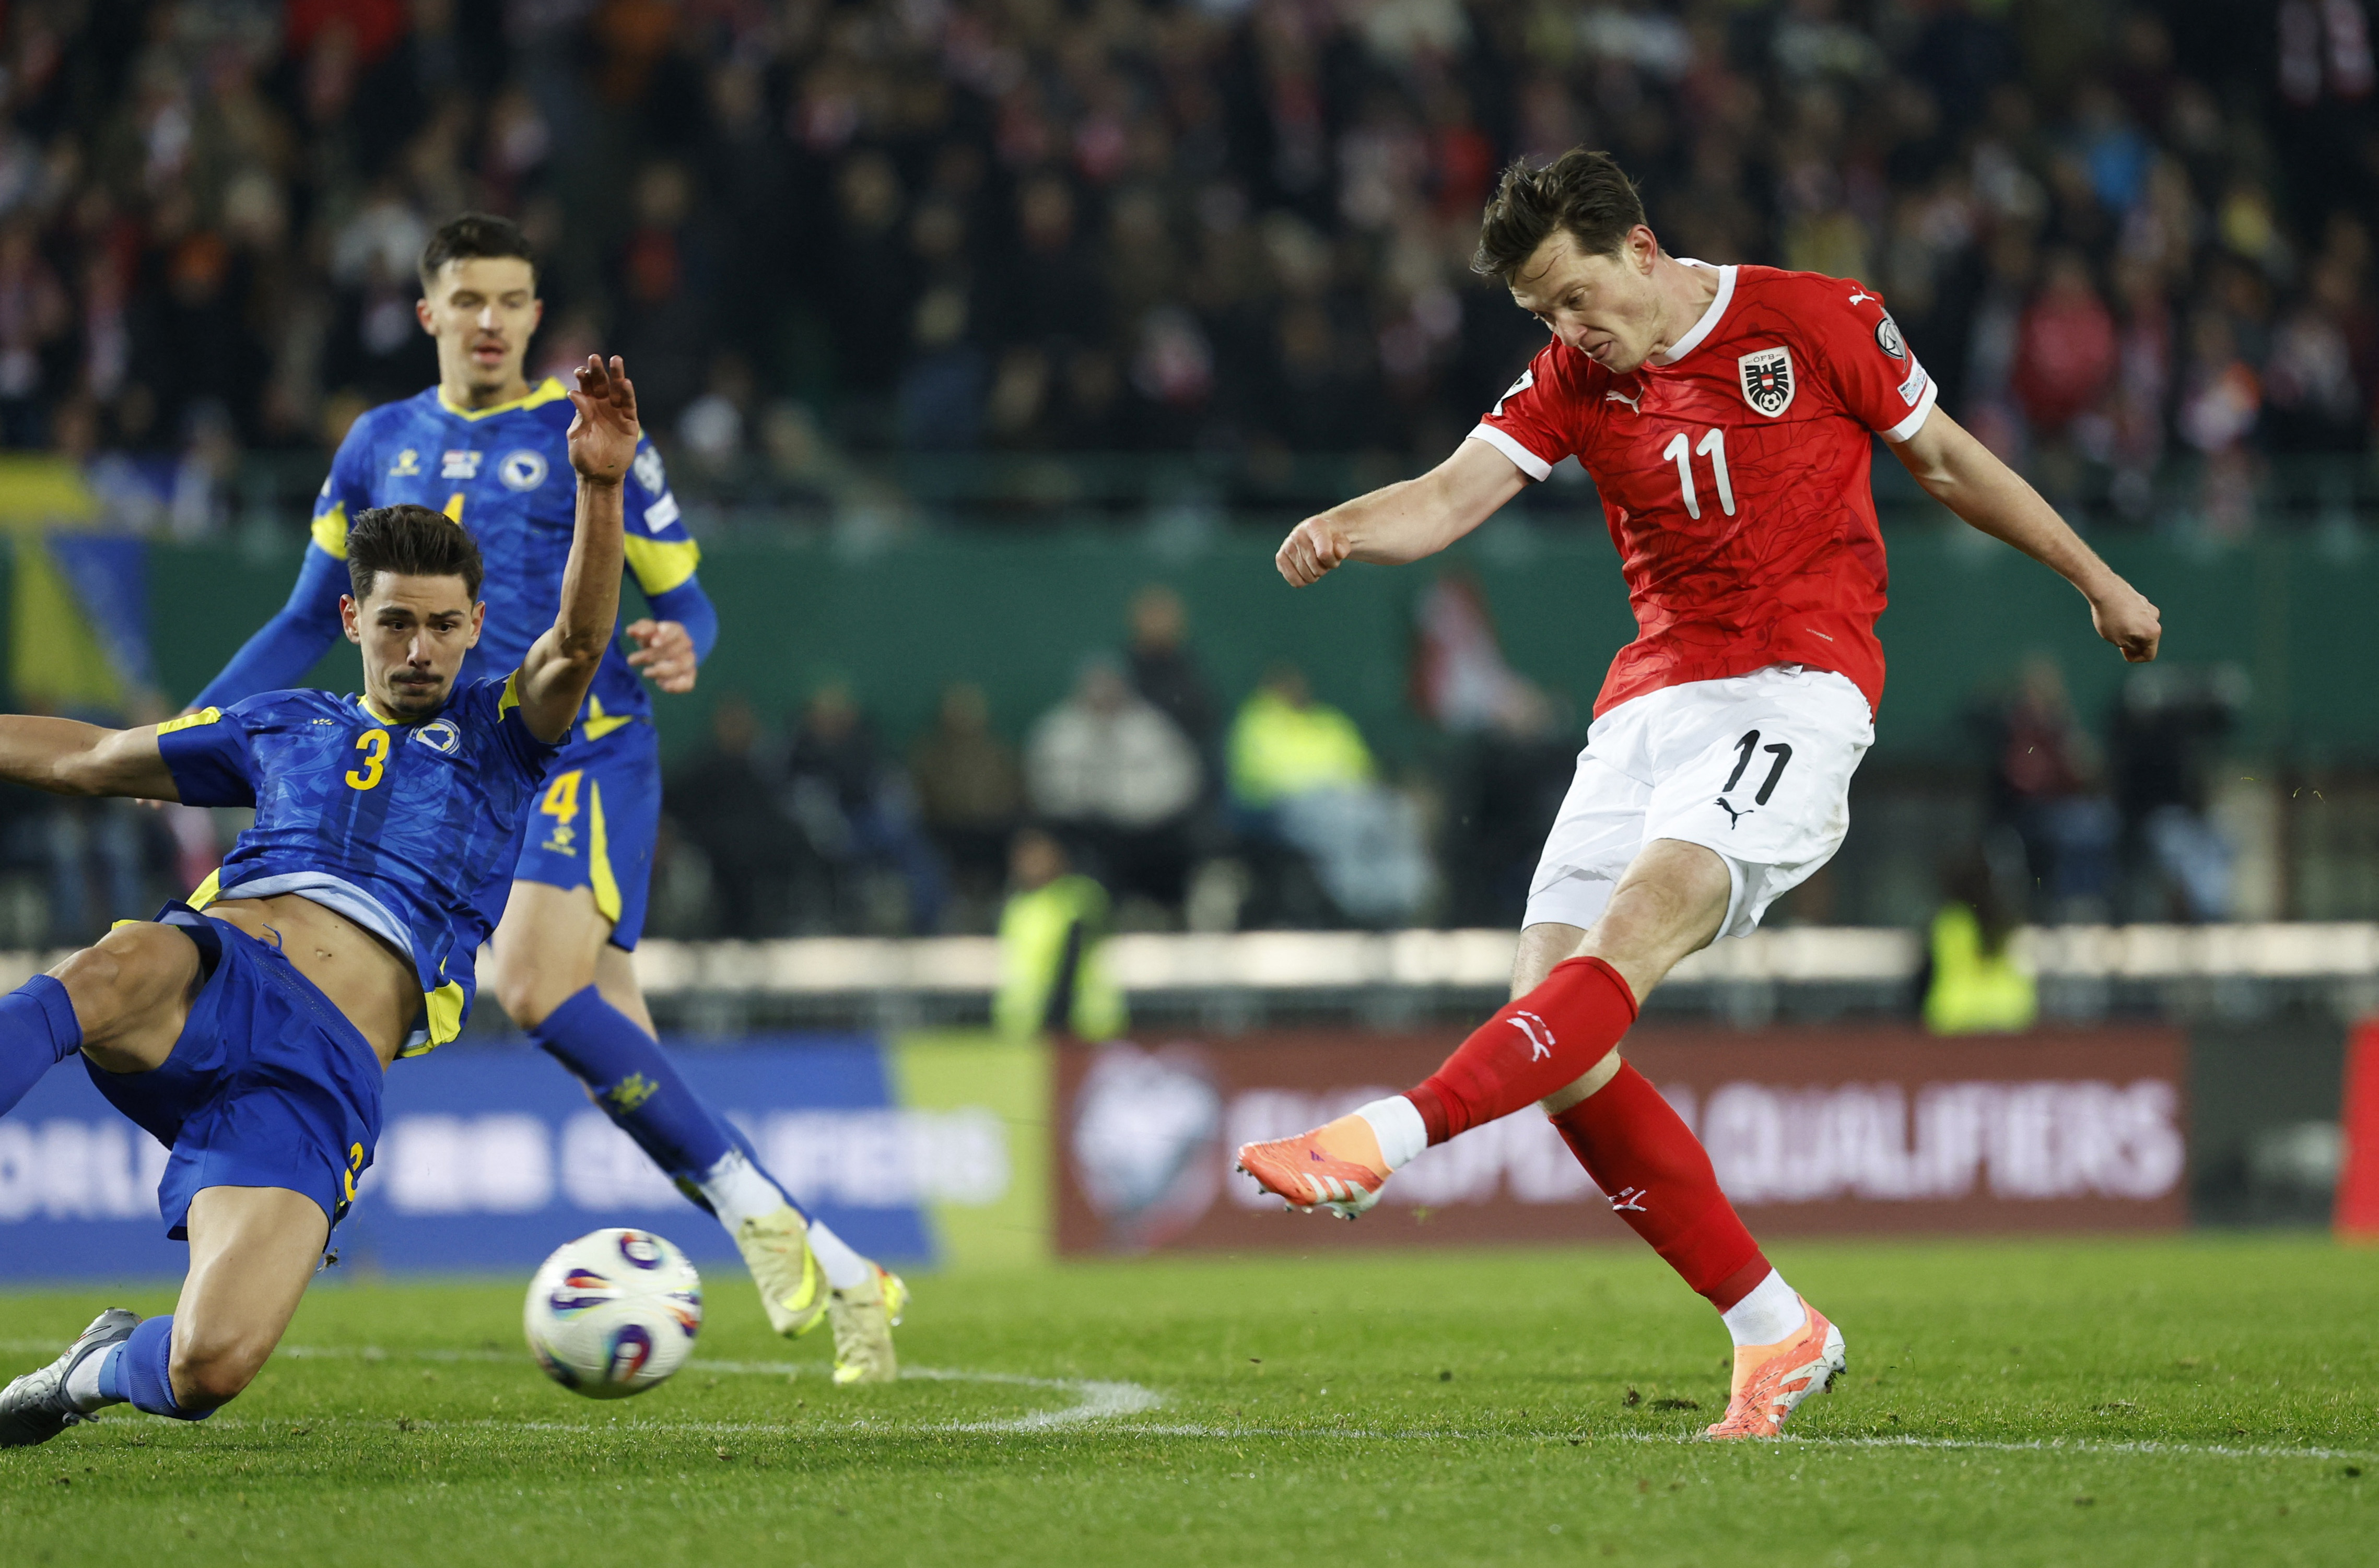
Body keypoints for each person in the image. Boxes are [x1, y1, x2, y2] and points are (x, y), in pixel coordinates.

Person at [1234, 149, 2162, 1441]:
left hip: (1796, 688)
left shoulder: (1816, 319)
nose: (1569, 331)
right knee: (1558, 1038)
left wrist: (2096, 580)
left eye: (1576, 297)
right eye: (1544, 314)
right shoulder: (1571, 375)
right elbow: (1453, 495)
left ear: (1642, 249)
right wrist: (1341, 524)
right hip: (1648, 706)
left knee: (1628, 937)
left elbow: (1947, 460)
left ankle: (1384, 1135)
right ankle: (1775, 1328)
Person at [181, 215, 902, 1381]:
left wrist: (683, 644)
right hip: (452, 773)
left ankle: (766, 1221)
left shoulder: (583, 435)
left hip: (583, 748)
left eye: (513, 300)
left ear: (532, 312)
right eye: (468, 299)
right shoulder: (376, 443)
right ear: (428, 313)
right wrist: (179, 736)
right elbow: (310, 615)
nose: (491, 321)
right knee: (626, 1063)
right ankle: (835, 1259)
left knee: (525, 978)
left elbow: (692, 598)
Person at [0, 359, 643, 1444]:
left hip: (321, 1073)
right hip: (221, 974)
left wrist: (600, 486)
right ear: (352, 615)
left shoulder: (502, 737)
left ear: (478, 623)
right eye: (396, 622)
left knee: (211, 1364)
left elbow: (578, 645)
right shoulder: (282, 723)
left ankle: (87, 1371)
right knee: (113, 966)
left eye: (443, 625)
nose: (419, 647)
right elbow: (93, 758)